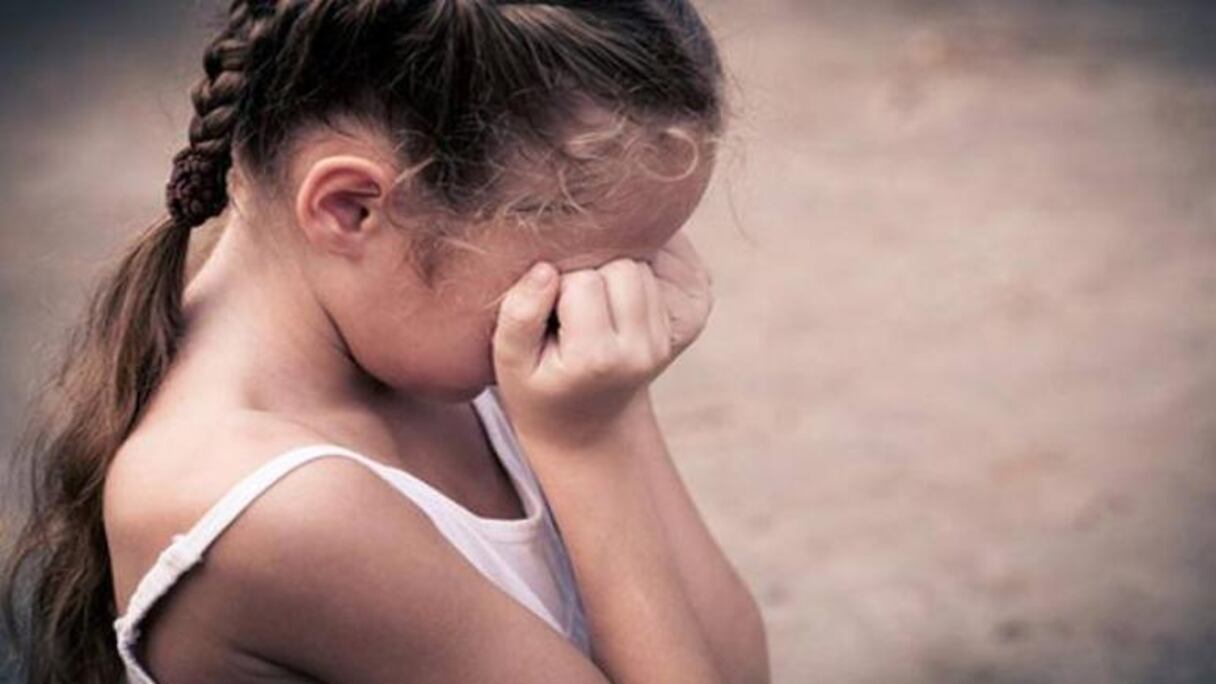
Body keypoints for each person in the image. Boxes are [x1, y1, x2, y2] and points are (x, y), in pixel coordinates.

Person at [1, 1, 769, 683]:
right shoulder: (282, 513)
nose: (617, 305)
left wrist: (616, 409)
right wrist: (592, 444)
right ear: (352, 210)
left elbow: (737, 670)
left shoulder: (431, 333)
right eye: (591, 272)